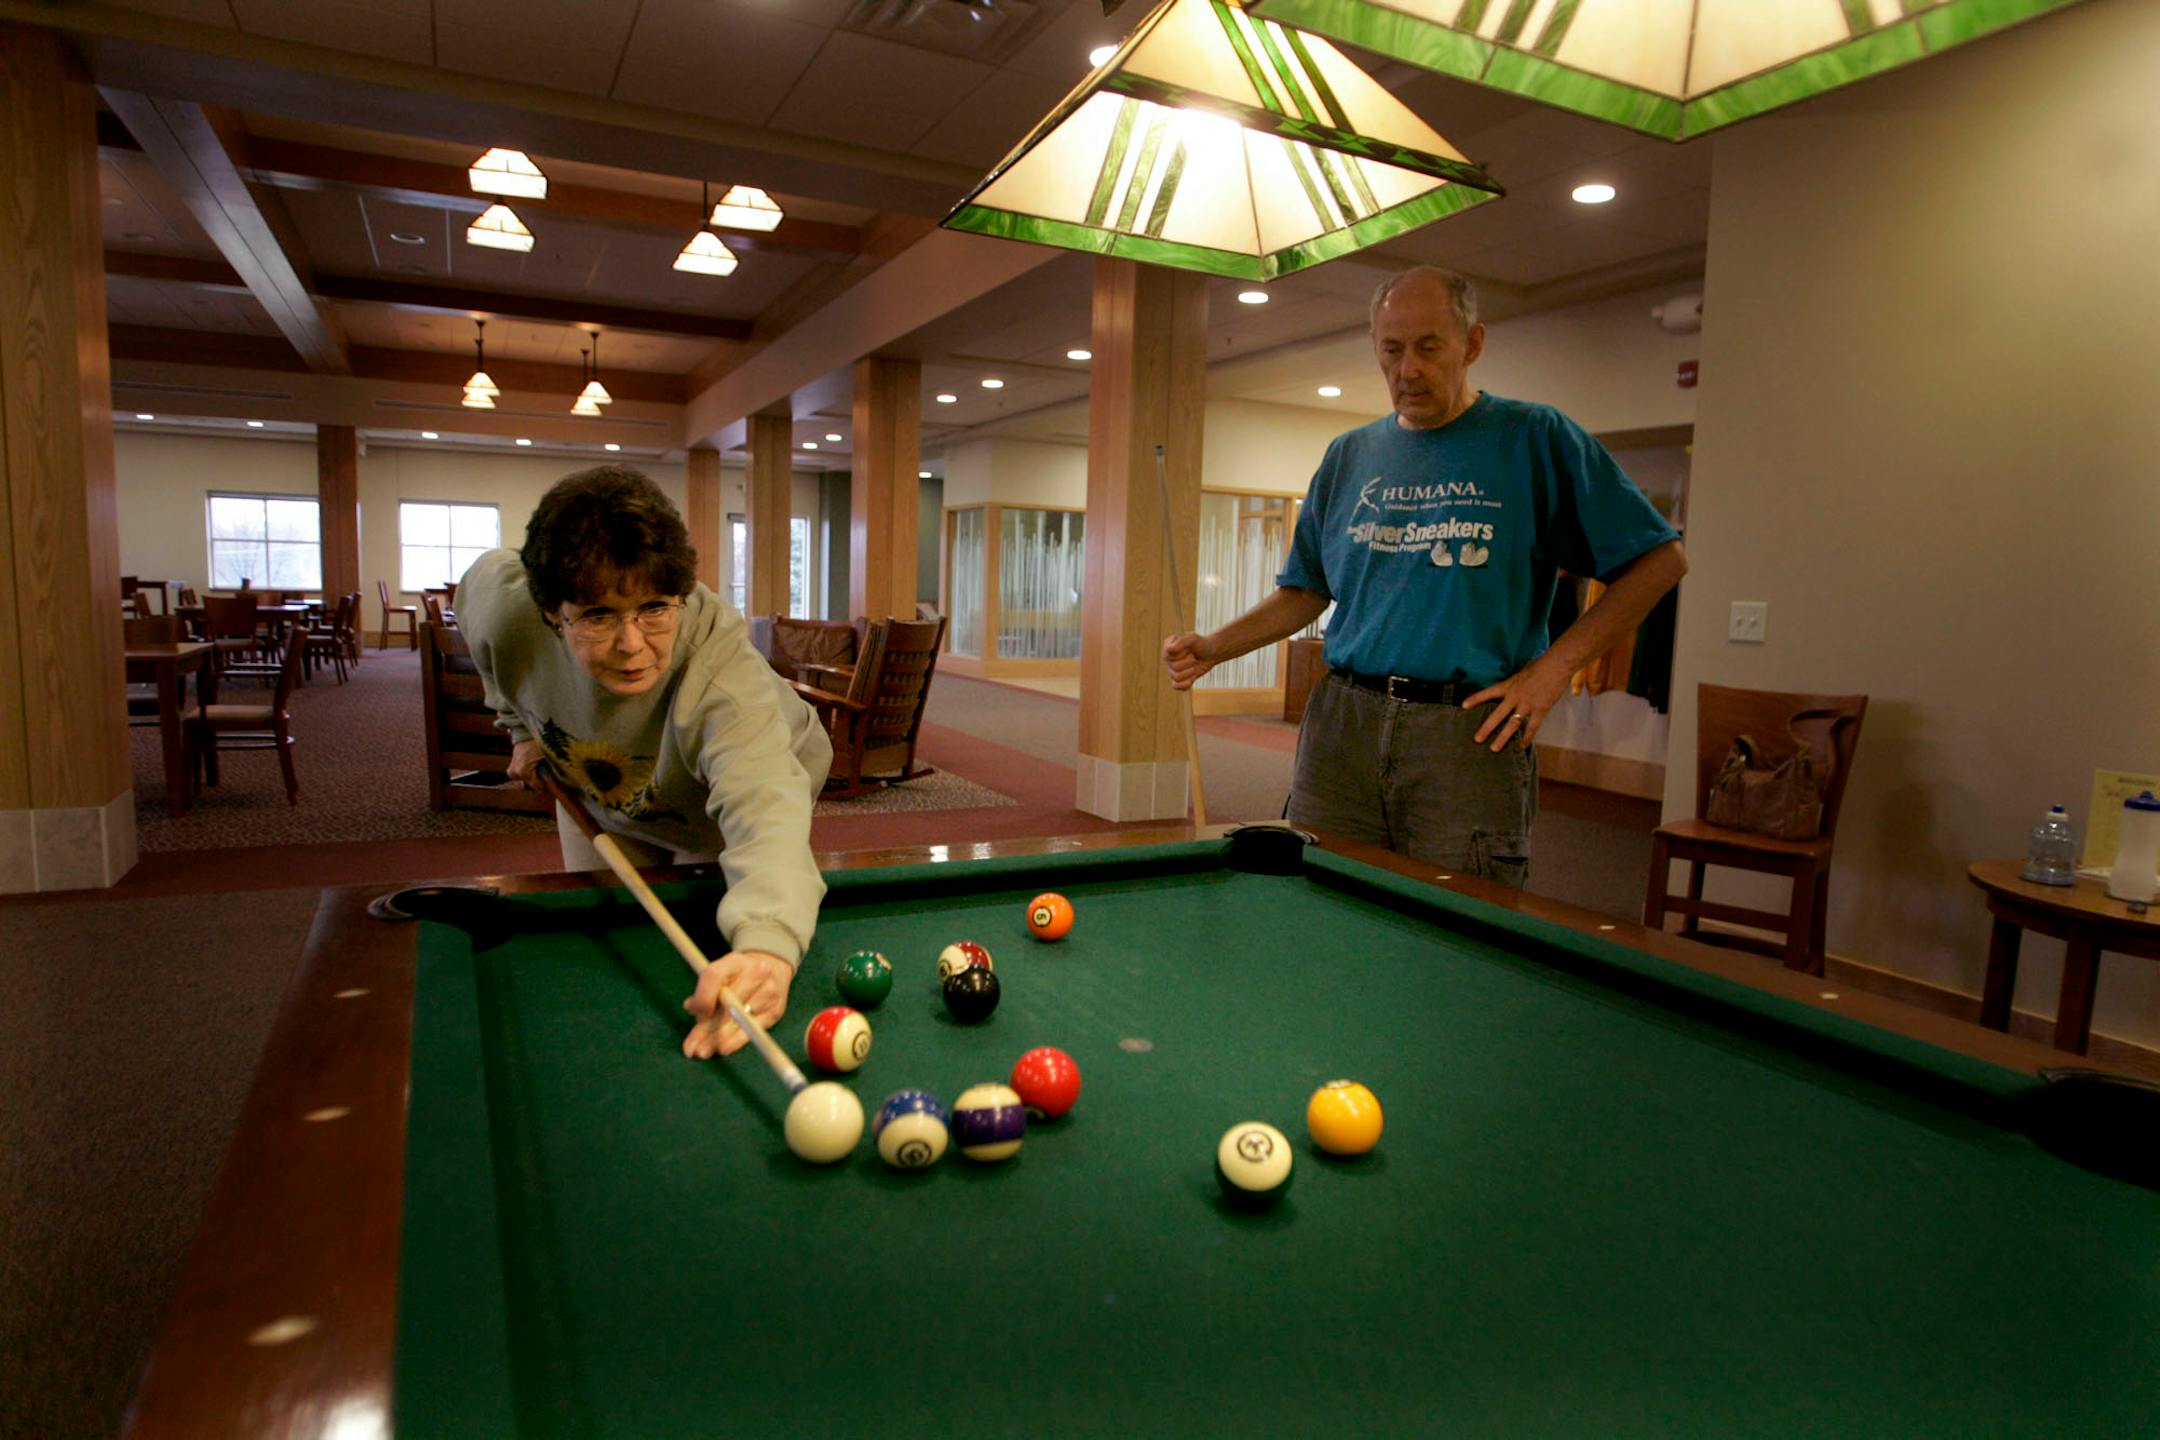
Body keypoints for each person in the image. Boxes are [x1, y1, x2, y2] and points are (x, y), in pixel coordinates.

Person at [1163, 266, 1687, 883]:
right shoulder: (1349, 456)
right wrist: (1216, 647)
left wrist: (1552, 671)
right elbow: (1305, 590)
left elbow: (1661, 561)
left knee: (1463, 923)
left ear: (1472, 343)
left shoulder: (1534, 438)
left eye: (1428, 347)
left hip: (1467, 731)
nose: (1408, 369)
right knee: (1323, 905)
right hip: (1343, 728)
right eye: (1392, 350)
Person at [459, 465, 833, 1059]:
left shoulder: (723, 676)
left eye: (655, 608)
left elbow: (763, 806)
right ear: (552, 614)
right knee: (616, 927)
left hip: (728, 786)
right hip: (605, 789)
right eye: (600, 615)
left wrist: (768, 944)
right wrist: (517, 727)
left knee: (718, 900)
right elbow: (476, 594)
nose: (633, 644)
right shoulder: (507, 613)